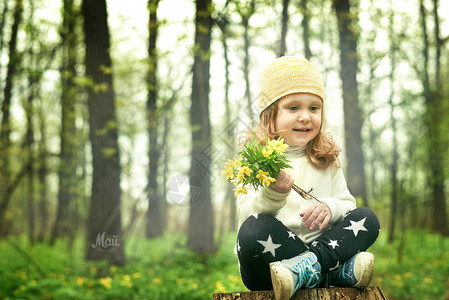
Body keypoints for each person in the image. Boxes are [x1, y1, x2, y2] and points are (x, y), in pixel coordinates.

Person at [235, 56, 380, 300]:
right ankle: (330, 273)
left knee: (367, 218)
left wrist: (329, 207)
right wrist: (274, 193)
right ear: (270, 114)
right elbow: (246, 213)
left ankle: (309, 268)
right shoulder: (253, 162)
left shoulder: (327, 159)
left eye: (314, 108)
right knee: (253, 227)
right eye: (293, 108)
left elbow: (347, 204)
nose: (305, 116)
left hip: (324, 247)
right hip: (268, 268)